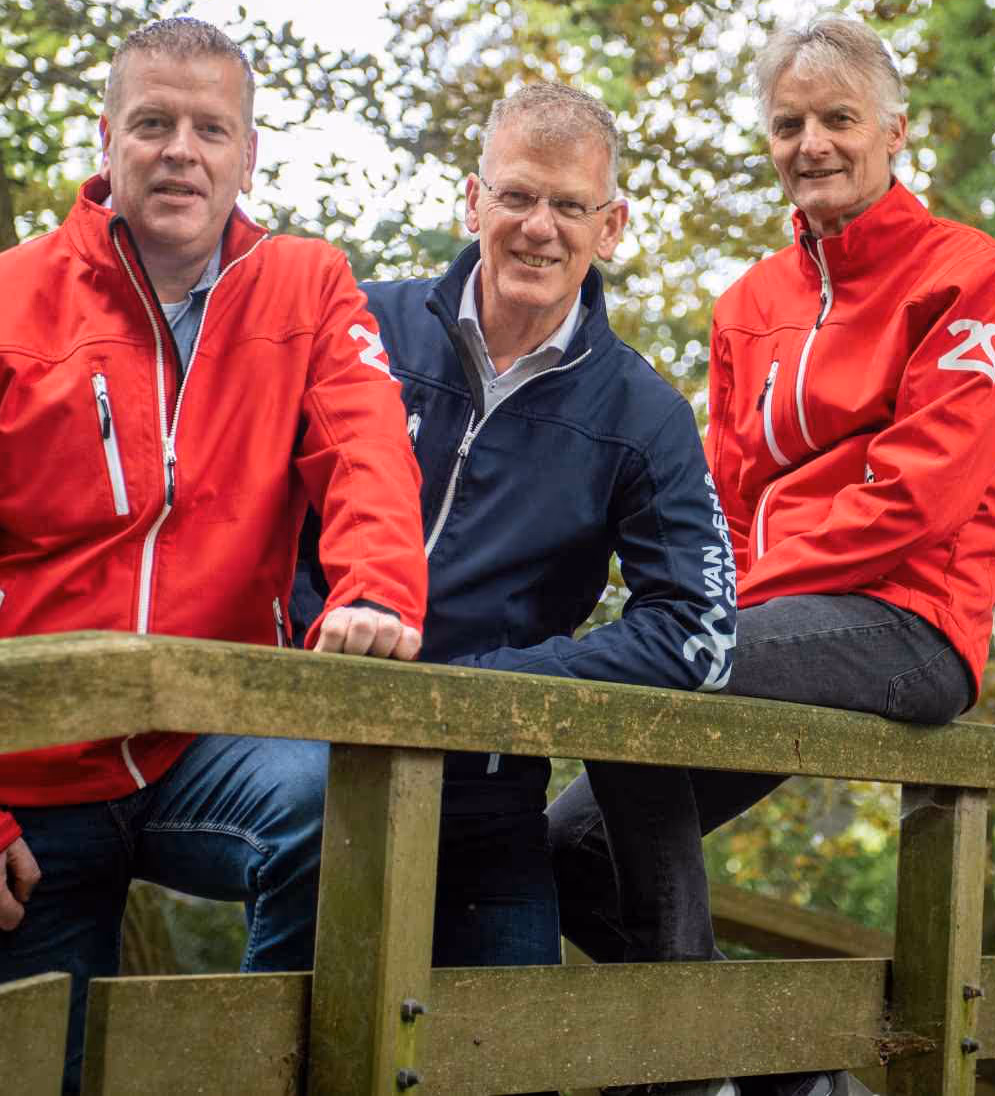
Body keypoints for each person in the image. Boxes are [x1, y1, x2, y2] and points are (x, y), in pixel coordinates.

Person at [0, 17, 428, 1092]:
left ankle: (261, 1074)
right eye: (153, 123)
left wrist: (374, 592)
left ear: (247, 153)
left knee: (345, 799)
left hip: (203, 745)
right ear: (107, 139)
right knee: (39, 1076)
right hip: (22, 768)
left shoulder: (307, 287)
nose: (181, 149)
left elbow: (367, 454)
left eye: (210, 127)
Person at [547, 16, 995, 1096]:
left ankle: (679, 1073)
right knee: (563, 851)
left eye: (836, 118)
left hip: (907, 621)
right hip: (756, 634)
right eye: (787, 123)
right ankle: (796, 1081)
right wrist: (699, 602)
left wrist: (702, 620)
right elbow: (716, 498)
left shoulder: (968, 276)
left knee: (643, 668)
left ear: (892, 130)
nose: (810, 140)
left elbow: (918, 496)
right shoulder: (748, 304)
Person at [294, 81, 735, 973]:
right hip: (306, 770)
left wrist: (488, 687)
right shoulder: (361, 331)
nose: (540, 227)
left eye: (570, 205)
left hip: (486, 804)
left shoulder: (643, 414)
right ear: (473, 201)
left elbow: (699, 634)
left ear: (610, 227)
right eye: (518, 196)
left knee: (511, 1061)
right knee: (280, 1051)